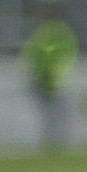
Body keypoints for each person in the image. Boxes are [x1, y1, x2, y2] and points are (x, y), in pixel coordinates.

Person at [21, 9, 78, 151]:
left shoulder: (42, 33)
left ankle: (50, 143)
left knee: (49, 116)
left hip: (45, 80)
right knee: (61, 114)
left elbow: (35, 56)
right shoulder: (62, 32)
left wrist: (37, 75)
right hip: (57, 81)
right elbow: (64, 55)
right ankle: (60, 143)